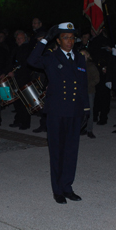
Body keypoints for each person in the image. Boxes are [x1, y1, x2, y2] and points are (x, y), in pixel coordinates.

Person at [28, 22, 90, 204]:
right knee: (57, 152)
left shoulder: (79, 58)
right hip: (56, 112)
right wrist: (44, 39)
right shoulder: (51, 57)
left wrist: (86, 109)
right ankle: (58, 190)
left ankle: (67, 187)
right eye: (65, 37)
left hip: (75, 111)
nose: (69, 41)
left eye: (72, 38)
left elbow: (83, 85)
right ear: (58, 40)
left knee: (71, 152)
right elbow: (31, 60)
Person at [9, 30, 33, 130]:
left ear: (25, 39)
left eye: (20, 38)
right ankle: (18, 120)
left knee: (25, 102)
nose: (18, 40)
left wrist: (15, 71)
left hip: (24, 78)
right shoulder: (16, 49)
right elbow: (10, 61)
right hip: (15, 79)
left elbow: (24, 63)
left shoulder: (28, 49)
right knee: (17, 101)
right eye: (17, 39)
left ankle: (25, 123)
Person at [79, 49, 100, 138]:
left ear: (88, 55)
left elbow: (97, 79)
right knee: (80, 111)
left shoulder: (91, 66)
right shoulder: (77, 65)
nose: (83, 56)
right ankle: (81, 128)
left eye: (84, 55)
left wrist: (88, 85)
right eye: (81, 55)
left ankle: (89, 130)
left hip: (89, 91)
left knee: (89, 111)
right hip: (79, 92)